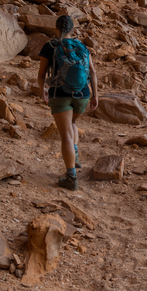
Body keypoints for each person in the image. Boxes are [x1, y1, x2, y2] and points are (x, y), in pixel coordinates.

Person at [37, 15, 98, 190]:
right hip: (83, 94)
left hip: (60, 94)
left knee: (66, 136)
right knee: (72, 123)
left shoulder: (50, 46)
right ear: (72, 29)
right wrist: (95, 95)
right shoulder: (82, 46)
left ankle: (71, 177)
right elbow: (92, 72)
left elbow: (42, 74)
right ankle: (75, 155)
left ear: (56, 28)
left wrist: (42, 90)